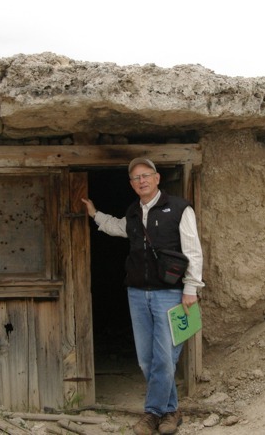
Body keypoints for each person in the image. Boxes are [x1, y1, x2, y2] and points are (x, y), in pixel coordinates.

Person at [82, 157, 204, 435]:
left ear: (157, 178)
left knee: (165, 356)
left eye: (146, 175)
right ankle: (171, 411)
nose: (142, 181)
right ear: (131, 184)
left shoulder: (180, 208)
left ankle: (152, 414)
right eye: (136, 178)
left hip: (169, 293)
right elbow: (119, 228)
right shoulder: (134, 212)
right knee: (146, 360)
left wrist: (191, 288)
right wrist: (94, 214)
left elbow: (193, 250)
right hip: (137, 294)